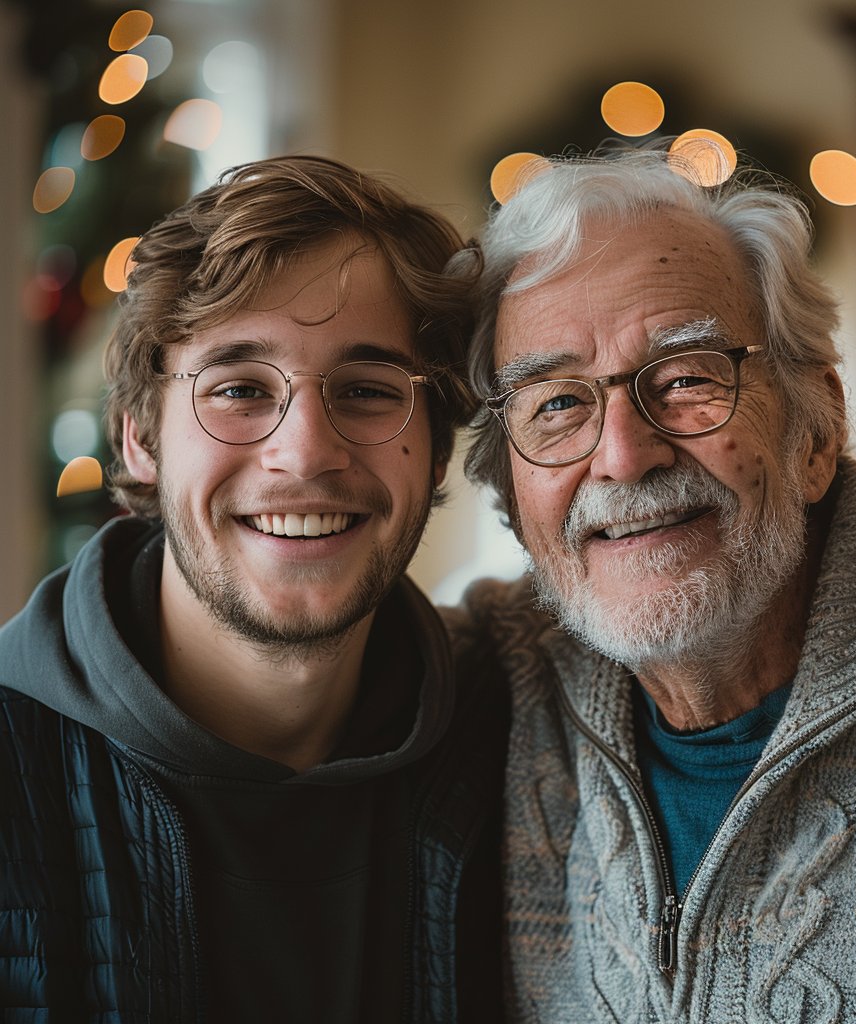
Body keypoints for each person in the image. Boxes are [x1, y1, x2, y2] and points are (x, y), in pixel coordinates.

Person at [451, 147, 856, 1021]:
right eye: (558, 404)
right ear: (511, 492)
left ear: (817, 433)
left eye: (686, 379)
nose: (623, 456)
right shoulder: (490, 677)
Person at [0, 156, 507, 1022]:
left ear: (435, 436)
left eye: (366, 389)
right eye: (238, 388)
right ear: (140, 441)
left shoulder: (519, 748)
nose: (306, 451)